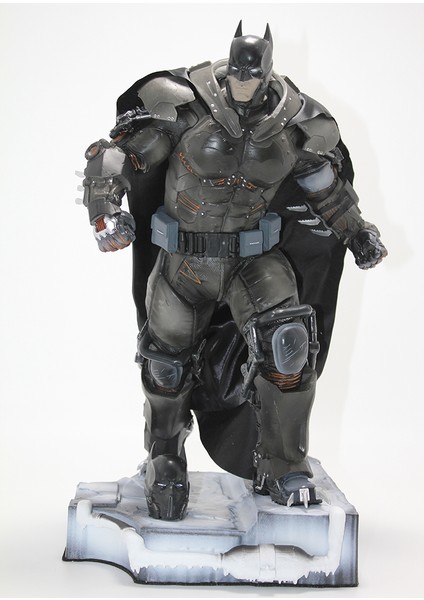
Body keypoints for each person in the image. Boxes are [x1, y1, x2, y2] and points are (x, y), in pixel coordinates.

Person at [81, 22, 387, 520]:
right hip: (183, 260)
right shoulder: (185, 105)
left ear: (267, 73)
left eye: (253, 77)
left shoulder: (296, 122)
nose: (243, 85)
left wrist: (357, 233)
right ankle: (165, 457)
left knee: (289, 344)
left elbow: (325, 187)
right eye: (238, 76)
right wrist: (105, 212)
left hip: (252, 259)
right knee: (166, 363)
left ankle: (284, 464)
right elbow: (118, 156)